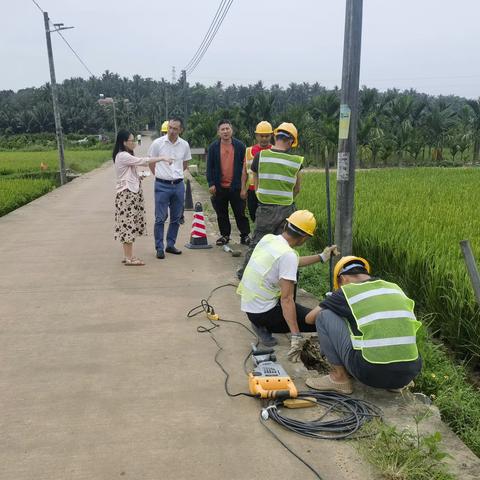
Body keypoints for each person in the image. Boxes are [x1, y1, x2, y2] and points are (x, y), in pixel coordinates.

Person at [303, 256, 422, 394]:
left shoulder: (347, 291)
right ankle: (395, 383)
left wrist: (332, 301)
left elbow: (309, 318)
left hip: (369, 373)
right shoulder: (394, 288)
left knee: (324, 316)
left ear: (343, 279)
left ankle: (339, 378)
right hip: (408, 374)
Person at [237, 210, 338, 360]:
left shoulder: (269, 239)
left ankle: (260, 325)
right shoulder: (287, 255)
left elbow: (292, 262)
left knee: (291, 274)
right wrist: (296, 336)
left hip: (250, 308)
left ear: (287, 225)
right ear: (305, 237)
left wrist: (322, 257)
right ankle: (265, 325)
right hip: (263, 313)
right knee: (320, 320)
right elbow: (286, 300)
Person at [237, 122, 303, 279]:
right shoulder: (296, 161)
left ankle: (245, 274)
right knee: (284, 245)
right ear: (290, 141)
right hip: (287, 208)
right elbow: (298, 188)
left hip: (265, 207)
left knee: (258, 242)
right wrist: (286, 199)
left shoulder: (261, 156)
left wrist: (261, 195)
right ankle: (280, 275)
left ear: (276, 136)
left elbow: (255, 180)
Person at [113, 130, 172, 266]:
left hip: (130, 193)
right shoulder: (122, 155)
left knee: (128, 224)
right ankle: (129, 258)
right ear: (124, 142)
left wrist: (139, 176)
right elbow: (143, 161)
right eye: (131, 140)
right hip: (127, 195)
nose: (133, 143)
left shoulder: (124, 155)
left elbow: (128, 174)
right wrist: (162, 158)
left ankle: (127, 255)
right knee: (128, 225)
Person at [148, 117, 192, 259]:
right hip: (162, 185)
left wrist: (176, 176)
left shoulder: (184, 145)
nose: (172, 131)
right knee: (160, 218)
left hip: (178, 185)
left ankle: (170, 245)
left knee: (176, 218)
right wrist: (159, 175)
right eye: (170, 128)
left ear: (181, 130)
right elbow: (151, 162)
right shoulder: (157, 144)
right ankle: (159, 247)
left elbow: (185, 164)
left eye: (175, 128)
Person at [206, 119, 250, 246]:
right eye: (222, 129)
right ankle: (225, 235)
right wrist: (211, 183)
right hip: (219, 187)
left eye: (227, 129)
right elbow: (210, 167)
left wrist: (243, 187)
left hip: (235, 186)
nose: (225, 131)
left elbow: (245, 168)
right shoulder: (213, 147)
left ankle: (245, 235)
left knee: (240, 213)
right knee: (221, 213)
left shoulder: (240, 146)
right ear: (218, 132)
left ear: (232, 130)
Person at [240, 121, 273, 222]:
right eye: (261, 136)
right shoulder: (248, 151)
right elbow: (245, 172)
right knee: (253, 216)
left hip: (269, 191)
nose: (264, 139)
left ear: (271, 136)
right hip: (252, 190)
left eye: (266, 136)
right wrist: (243, 189)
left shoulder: (275, 151)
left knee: (269, 218)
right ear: (256, 136)